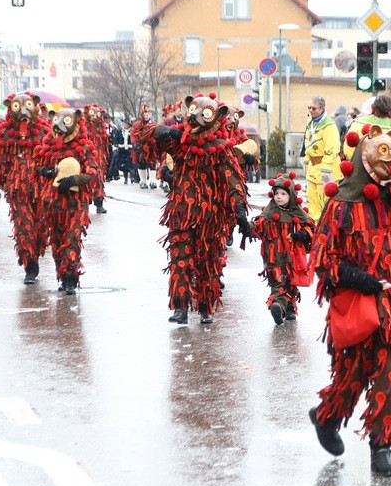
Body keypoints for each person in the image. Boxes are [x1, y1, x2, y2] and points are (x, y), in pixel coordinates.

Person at [308, 125, 391, 477]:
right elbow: (322, 262)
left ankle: (381, 447)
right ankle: (327, 417)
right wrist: (362, 280)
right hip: (357, 303)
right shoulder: (338, 207)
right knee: (351, 377)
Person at [135, 94, 251, 325]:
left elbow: (233, 182)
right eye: (194, 111)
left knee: (208, 260)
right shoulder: (181, 142)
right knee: (180, 259)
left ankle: (206, 307)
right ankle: (180, 307)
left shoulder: (221, 149)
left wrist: (239, 211)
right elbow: (144, 137)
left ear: (216, 118)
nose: (196, 118)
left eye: (205, 113)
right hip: (181, 212)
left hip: (210, 217)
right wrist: (167, 132)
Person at [33, 108, 99, 294]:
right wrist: (44, 171)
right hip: (53, 204)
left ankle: (71, 278)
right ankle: (62, 276)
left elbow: (92, 173)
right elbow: (38, 165)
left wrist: (73, 180)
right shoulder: (49, 146)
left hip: (76, 204)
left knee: (71, 240)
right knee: (56, 241)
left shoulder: (84, 148)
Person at [0, 92, 51, 283]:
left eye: (28, 105)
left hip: (42, 187)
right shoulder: (5, 133)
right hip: (17, 190)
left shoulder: (45, 131)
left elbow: (54, 155)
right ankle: (30, 266)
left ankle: (37, 252)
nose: (24, 111)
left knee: (41, 227)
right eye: (18, 106)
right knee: (23, 227)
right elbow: (0, 160)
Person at [248, 172, 315, 324]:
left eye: (283, 194)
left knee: (290, 282)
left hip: (292, 258)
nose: (278, 197)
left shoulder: (299, 214)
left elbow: (312, 231)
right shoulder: (269, 213)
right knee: (278, 282)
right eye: (276, 193)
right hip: (274, 257)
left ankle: (290, 307)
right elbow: (258, 227)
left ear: (290, 195)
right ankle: (277, 306)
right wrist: (247, 227)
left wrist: (303, 235)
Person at [302, 96, 341, 220]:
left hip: (327, 170)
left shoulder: (329, 126)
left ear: (322, 109)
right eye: (309, 107)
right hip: (313, 169)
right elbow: (308, 144)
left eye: (314, 108)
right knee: (312, 201)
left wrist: (326, 169)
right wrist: (306, 161)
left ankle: (327, 230)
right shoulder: (310, 124)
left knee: (326, 202)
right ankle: (315, 229)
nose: (311, 110)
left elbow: (332, 148)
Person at [342, 94, 391, 161]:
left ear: (373, 107)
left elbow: (348, 150)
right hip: (389, 168)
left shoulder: (358, 123)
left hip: (362, 167)